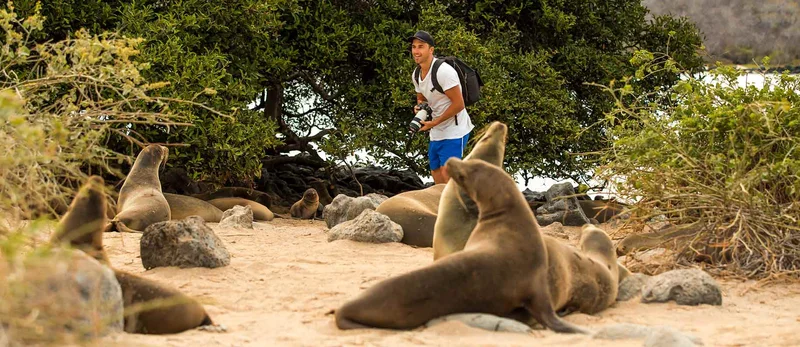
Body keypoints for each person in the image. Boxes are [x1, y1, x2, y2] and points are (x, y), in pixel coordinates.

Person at [407, 30, 475, 184]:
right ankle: (443, 207)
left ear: (431, 50)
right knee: (436, 173)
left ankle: (464, 206)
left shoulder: (444, 72)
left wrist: (434, 122)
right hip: (436, 131)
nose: (416, 51)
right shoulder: (416, 74)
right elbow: (421, 97)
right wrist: (420, 108)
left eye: (421, 47)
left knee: (449, 177)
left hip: (455, 131)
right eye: (414, 47)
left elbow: (459, 104)